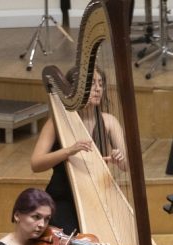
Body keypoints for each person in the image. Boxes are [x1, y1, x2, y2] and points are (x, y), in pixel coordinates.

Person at [30, 67, 128, 235]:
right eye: (91, 84)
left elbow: (127, 167)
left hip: (97, 197)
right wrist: (69, 151)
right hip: (63, 197)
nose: (98, 89)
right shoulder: (56, 124)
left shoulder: (110, 122)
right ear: (76, 91)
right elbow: (36, 164)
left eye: (101, 84)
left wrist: (120, 159)